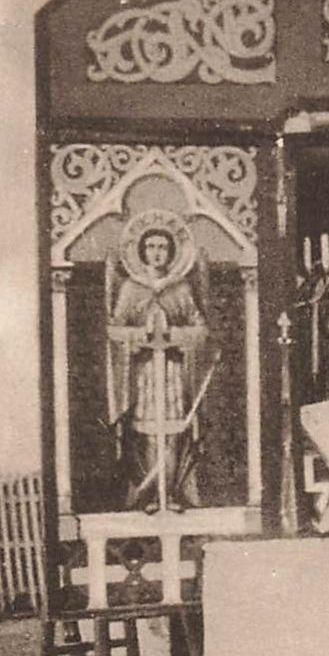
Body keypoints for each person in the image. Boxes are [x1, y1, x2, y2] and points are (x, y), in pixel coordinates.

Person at [107, 219, 209, 512]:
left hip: (173, 371)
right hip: (145, 370)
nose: (156, 253)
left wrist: (175, 336)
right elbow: (114, 328)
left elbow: (200, 328)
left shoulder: (181, 288)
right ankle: (149, 494)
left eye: (163, 247)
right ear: (140, 251)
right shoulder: (130, 288)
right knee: (148, 431)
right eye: (150, 246)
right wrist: (142, 336)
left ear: (172, 252)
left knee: (174, 428)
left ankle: (173, 492)